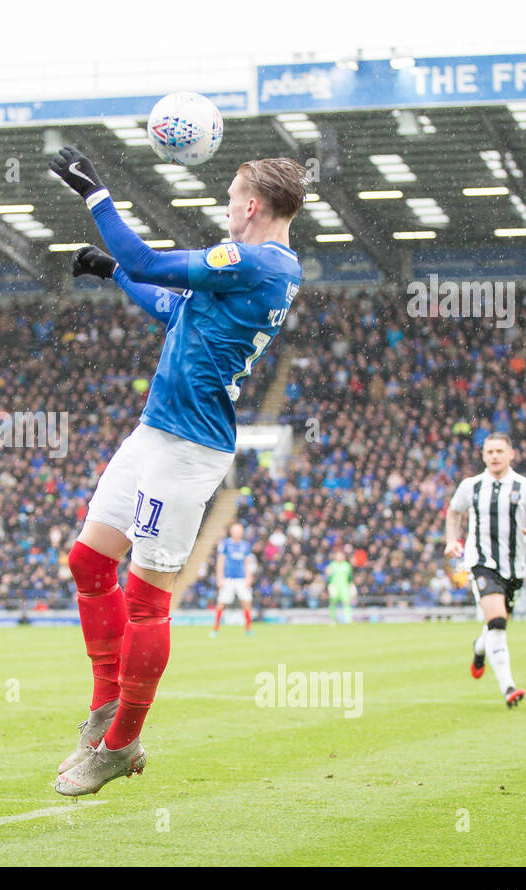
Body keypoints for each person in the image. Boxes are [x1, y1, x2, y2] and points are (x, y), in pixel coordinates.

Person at [48, 147, 306, 795]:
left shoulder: (254, 261)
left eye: (228, 197)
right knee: (88, 563)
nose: (224, 209)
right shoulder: (253, 271)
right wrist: (114, 273)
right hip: (155, 433)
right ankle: (106, 706)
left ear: (252, 206)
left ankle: (122, 741)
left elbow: (149, 260)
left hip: (189, 445)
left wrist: (95, 195)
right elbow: (169, 305)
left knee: (145, 599)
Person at [445, 432, 526, 708]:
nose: (494, 456)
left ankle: (479, 648)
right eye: (489, 452)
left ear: (511, 454)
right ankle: (509, 687)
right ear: (483, 456)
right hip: (481, 563)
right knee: (498, 622)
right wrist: (452, 541)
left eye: (499, 451)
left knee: (496, 625)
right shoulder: (472, 486)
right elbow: (453, 512)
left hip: (514, 568)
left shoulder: (525, 487)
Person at [210, 522, 255, 637]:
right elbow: (220, 561)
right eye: (235, 531)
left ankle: (248, 628)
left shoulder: (245, 545)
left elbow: (247, 562)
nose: (237, 533)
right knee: (221, 603)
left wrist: (249, 577)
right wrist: (219, 578)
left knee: (246, 602)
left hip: (241, 578)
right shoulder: (225, 544)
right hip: (227, 578)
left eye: (239, 531)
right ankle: (215, 629)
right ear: (231, 532)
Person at [325, 548, 354, 625]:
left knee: (346, 602)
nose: (339, 557)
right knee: (333, 603)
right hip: (335, 586)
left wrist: (351, 586)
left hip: (344, 587)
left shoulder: (346, 565)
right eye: (338, 556)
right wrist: (330, 586)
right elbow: (328, 577)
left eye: (341, 556)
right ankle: (333, 619)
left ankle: (348, 619)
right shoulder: (332, 565)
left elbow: (350, 577)